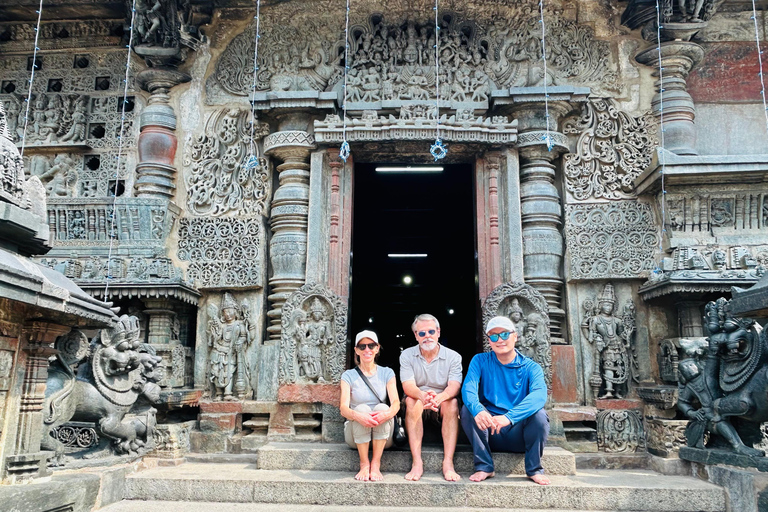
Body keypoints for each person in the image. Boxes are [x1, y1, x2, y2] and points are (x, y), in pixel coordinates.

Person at [461, 316, 550, 485]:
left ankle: (534, 469)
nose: (499, 340)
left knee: (539, 416)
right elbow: (468, 388)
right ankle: (484, 466)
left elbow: (539, 395)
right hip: (487, 431)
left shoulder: (531, 367)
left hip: (517, 432)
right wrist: (478, 410)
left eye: (504, 334)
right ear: (489, 341)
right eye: (494, 336)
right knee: (468, 410)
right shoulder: (480, 360)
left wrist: (509, 417)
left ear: (515, 336)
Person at [400, 313, 463, 482]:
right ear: (416, 336)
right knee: (411, 401)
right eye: (422, 333)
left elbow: (454, 386)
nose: (427, 336)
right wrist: (423, 396)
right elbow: (408, 386)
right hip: (418, 398)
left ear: (438, 332)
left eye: (431, 332)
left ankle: (448, 462)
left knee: (453, 403)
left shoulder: (454, 357)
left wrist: (439, 398)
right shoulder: (406, 355)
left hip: (441, 400)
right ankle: (417, 462)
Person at [340, 330, 400, 481]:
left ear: (377, 348)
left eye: (371, 346)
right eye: (362, 346)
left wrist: (386, 414)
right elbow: (343, 408)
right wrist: (358, 416)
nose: (367, 350)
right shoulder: (348, 375)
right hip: (356, 435)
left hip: (383, 433)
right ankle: (364, 463)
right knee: (361, 409)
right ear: (356, 350)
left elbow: (396, 403)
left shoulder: (387, 373)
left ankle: (376, 463)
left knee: (382, 408)